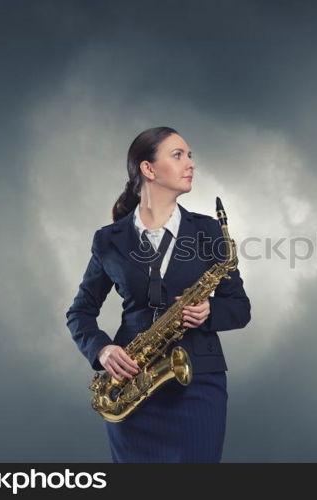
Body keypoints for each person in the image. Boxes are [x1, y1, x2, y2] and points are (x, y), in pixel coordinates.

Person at [65, 126, 251, 462]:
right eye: (178, 155)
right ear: (148, 169)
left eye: (190, 155)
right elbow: (80, 312)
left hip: (199, 384)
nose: (190, 163)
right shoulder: (109, 239)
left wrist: (210, 309)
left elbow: (240, 308)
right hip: (132, 386)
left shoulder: (208, 230)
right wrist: (103, 350)